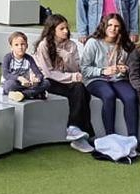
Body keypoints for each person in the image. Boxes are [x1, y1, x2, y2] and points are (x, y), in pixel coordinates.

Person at [35, 13, 96, 152]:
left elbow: (76, 68)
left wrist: (67, 58)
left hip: (67, 80)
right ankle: (86, 131)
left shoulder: (71, 45)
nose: (66, 31)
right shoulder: (43, 45)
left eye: (67, 28)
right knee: (81, 91)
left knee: (83, 91)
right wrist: (73, 77)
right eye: (62, 28)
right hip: (49, 82)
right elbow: (49, 73)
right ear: (52, 30)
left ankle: (75, 130)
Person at [80, 14, 139, 138]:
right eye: (110, 25)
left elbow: (131, 66)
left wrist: (125, 69)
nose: (113, 29)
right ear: (104, 26)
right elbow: (84, 69)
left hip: (118, 78)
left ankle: (133, 138)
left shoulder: (125, 44)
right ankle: (109, 135)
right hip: (96, 79)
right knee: (109, 95)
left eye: (117, 26)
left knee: (131, 97)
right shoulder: (93, 43)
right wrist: (102, 71)